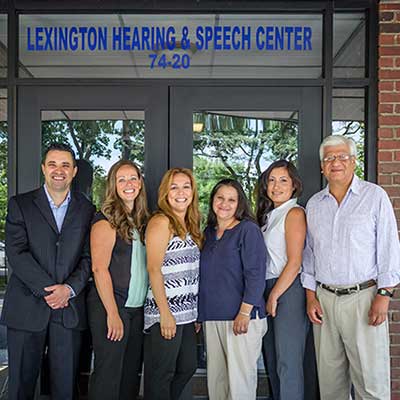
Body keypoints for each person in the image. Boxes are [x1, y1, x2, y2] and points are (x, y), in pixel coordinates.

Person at [302, 135, 400, 400]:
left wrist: (384, 295)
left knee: (371, 382)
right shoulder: (314, 204)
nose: (336, 162)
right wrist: (311, 296)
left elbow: (390, 248)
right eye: (329, 158)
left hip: (364, 299)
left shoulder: (374, 196)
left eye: (342, 156)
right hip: (325, 301)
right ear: (322, 166)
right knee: (331, 384)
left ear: (354, 161)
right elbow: (309, 254)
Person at [1, 143, 95, 400]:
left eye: (65, 165)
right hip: (26, 308)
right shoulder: (20, 204)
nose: (59, 170)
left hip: (68, 309)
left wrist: (68, 289)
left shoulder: (87, 210)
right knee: (20, 386)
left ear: (74, 171)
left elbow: (89, 257)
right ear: (43, 168)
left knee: (65, 387)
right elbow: (16, 253)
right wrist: (49, 291)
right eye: (52, 164)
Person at [198, 178, 267, 400]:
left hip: (242, 318)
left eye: (231, 199)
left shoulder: (248, 230)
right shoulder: (208, 233)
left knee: (240, 386)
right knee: (217, 384)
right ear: (212, 201)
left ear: (240, 204)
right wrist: (200, 315)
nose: (225, 204)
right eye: (220, 198)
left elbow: (256, 275)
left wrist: (245, 312)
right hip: (212, 318)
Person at [87, 160, 149, 400]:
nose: (128, 184)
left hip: (136, 309)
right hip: (111, 307)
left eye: (132, 178)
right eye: (121, 179)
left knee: (129, 375)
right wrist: (112, 313)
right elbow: (99, 269)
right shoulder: (105, 220)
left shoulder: (142, 220)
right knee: (109, 373)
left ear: (140, 182)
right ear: (113, 186)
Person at [144, 167, 202, 400]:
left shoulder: (191, 224)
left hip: (187, 313)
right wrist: (165, 314)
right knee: (162, 373)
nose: (181, 192)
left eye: (186, 186)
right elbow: (153, 269)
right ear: (165, 193)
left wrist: (195, 312)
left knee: (187, 366)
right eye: (174, 187)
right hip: (165, 312)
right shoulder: (161, 222)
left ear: (193, 191)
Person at [256, 160, 308, 400]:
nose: (276, 186)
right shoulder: (269, 216)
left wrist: (275, 295)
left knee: (287, 361)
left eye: (283, 180)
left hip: (286, 290)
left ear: (294, 185)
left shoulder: (294, 213)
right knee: (272, 360)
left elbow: (295, 261)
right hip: (268, 289)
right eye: (272, 180)